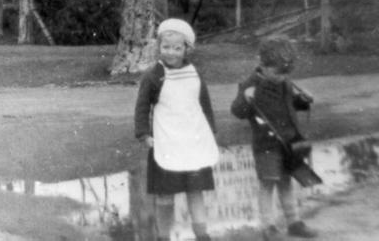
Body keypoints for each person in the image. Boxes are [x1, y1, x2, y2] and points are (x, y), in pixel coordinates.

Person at [134, 18, 219, 241]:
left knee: (195, 190)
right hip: (166, 141)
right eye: (166, 47)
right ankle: (163, 236)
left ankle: (202, 234)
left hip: (193, 142)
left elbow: (204, 104)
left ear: (186, 49)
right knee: (165, 194)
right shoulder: (154, 76)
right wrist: (143, 134)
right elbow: (142, 106)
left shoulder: (194, 73)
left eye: (177, 48)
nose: (171, 52)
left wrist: (210, 133)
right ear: (158, 47)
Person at [231, 35, 317, 241]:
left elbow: (288, 105)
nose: (282, 77)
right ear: (263, 64)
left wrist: (303, 100)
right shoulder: (250, 84)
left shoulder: (285, 82)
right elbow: (237, 111)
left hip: (288, 141)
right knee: (268, 183)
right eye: (278, 73)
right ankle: (267, 226)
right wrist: (246, 97)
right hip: (266, 144)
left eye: (286, 73)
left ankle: (293, 222)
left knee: (286, 181)